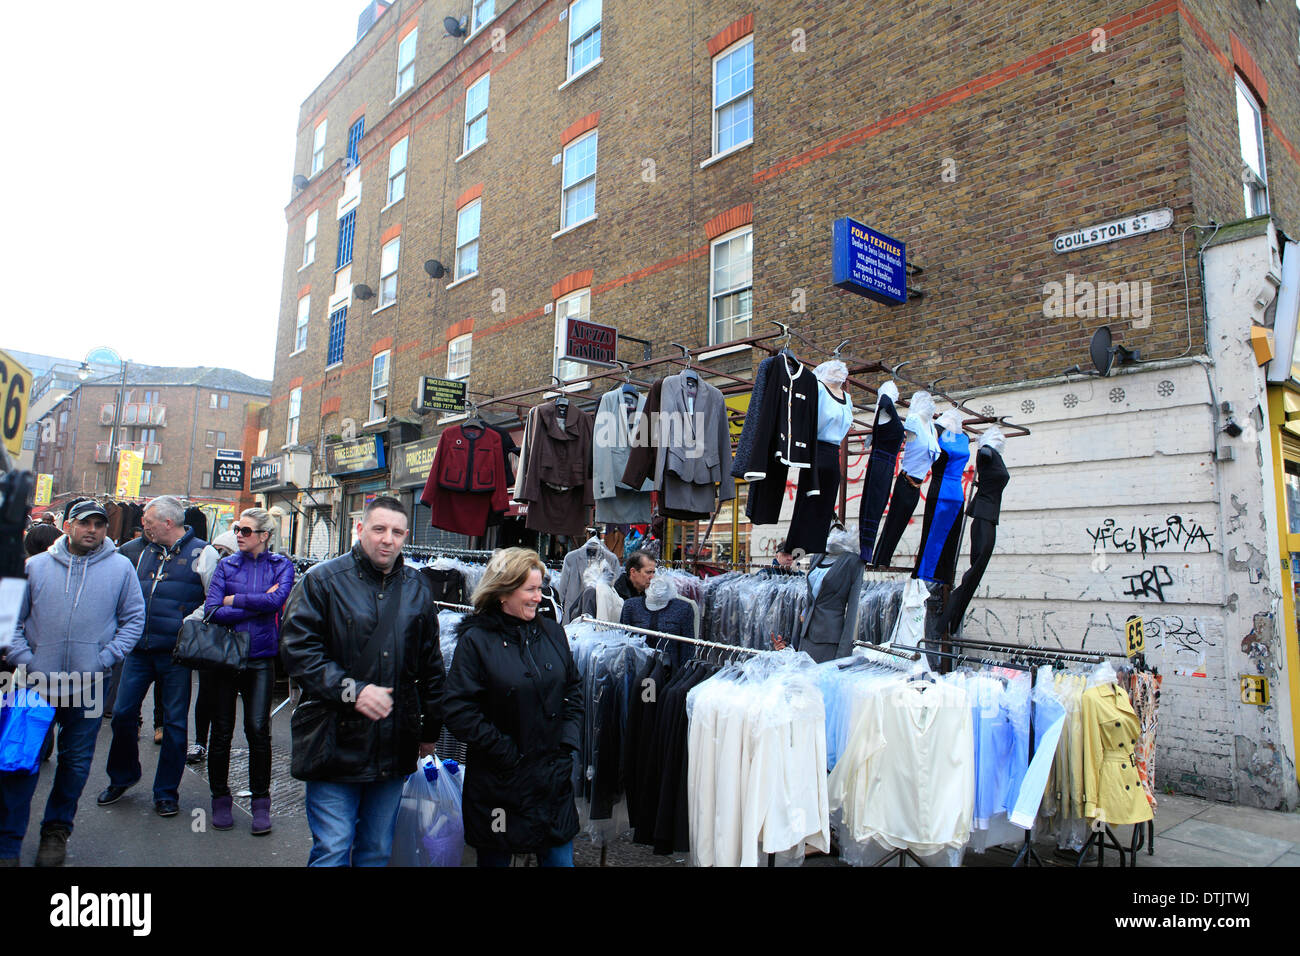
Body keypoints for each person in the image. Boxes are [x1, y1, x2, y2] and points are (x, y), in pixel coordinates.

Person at [280, 496, 446, 866]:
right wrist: (350, 690)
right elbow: (296, 651)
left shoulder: (418, 588)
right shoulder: (322, 580)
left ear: (405, 536)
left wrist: (429, 730)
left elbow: (431, 664)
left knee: (375, 850)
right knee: (333, 848)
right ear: (360, 529)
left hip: (393, 742)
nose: (388, 539)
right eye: (379, 529)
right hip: (333, 742)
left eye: (397, 532)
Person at [0, 500, 146, 866]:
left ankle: (56, 832)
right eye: (85, 524)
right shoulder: (34, 567)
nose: (92, 530)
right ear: (68, 526)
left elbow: (134, 619)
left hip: (90, 686)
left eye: (99, 524)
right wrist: (25, 659)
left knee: (76, 763)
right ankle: (8, 843)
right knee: (21, 762)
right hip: (36, 684)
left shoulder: (121, 568)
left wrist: (105, 657)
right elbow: (9, 620)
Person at [444, 548, 583, 867]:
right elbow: (457, 709)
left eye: (540, 589)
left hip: (551, 780)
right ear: (504, 591)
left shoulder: (552, 631)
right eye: (531, 590)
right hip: (499, 785)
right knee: (495, 859)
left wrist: (568, 744)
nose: (539, 597)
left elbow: (573, 688)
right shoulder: (476, 641)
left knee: (560, 861)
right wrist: (503, 750)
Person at [98, 496, 218, 818]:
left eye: (149, 521)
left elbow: (214, 600)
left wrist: (188, 622)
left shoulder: (203, 553)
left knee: (175, 725)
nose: (144, 525)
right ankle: (123, 776)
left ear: (168, 522)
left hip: (177, 655)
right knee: (122, 715)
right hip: (138, 650)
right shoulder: (139, 551)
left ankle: (166, 792)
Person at [201, 510, 294, 835]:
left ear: (264, 535)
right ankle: (219, 799)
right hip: (226, 656)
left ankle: (260, 803)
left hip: (261, 658)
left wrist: (235, 599)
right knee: (222, 730)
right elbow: (213, 611)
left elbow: (277, 602)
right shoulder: (226, 565)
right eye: (237, 529)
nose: (238, 534)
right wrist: (257, 602)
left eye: (245, 530)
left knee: (258, 731)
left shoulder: (281, 565)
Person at [188, 529, 237, 766]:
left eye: (224, 552)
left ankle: (216, 747)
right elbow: (210, 603)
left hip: (236, 641)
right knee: (206, 692)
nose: (219, 556)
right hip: (213, 637)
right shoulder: (215, 570)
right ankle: (201, 742)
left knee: (224, 699)